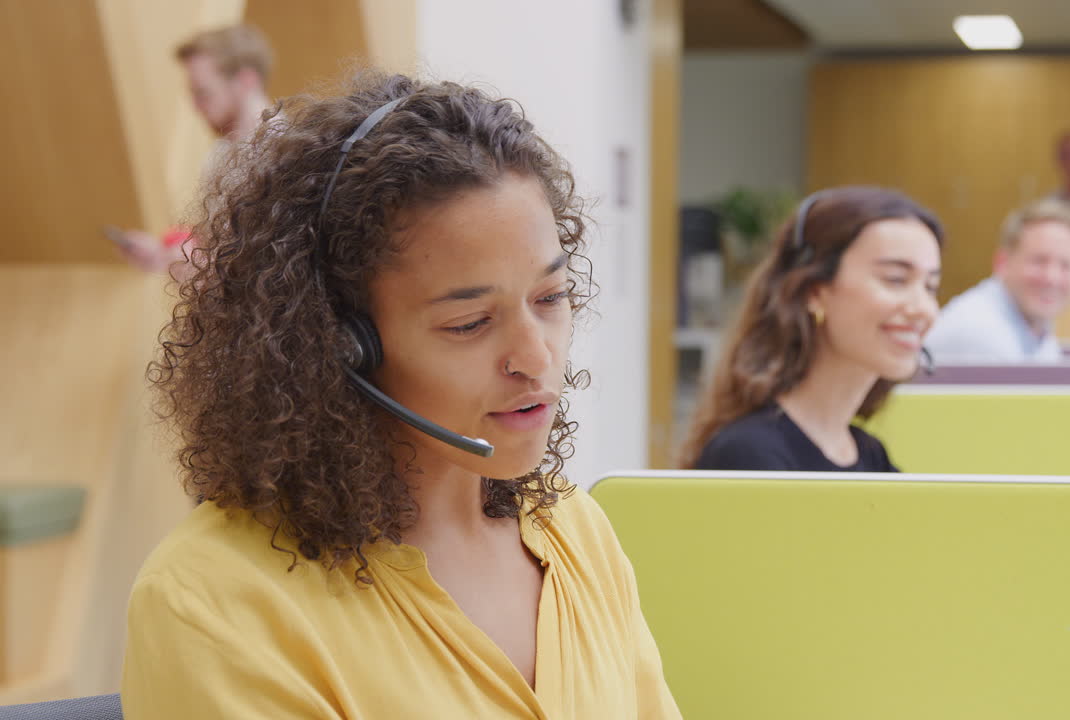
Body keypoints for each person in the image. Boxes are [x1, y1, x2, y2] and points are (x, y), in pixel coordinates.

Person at [121, 70, 681, 719]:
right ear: (338, 343)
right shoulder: (215, 603)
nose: (537, 357)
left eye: (551, 297)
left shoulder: (573, 529)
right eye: (469, 323)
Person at [681, 186, 943, 473]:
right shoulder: (749, 453)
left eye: (930, 286)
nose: (923, 309)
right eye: (895, 279)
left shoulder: (871, 454)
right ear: (815, 291)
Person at [113, 24, 273, 279]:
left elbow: (275, 263)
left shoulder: (284, 153)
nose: (196, 107)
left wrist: (201, 263)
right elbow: (215, 243)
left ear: (246, 80)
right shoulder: (220, 154)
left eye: (203, 93)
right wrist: (162, 253)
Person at [926, 199, 1070, 365]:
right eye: (1039, 261)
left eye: (1066, 265)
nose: (1052, 278)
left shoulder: (1034, 326)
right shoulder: (981, 333)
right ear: (1002, 263)